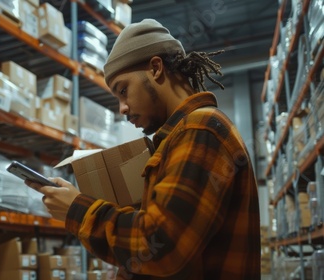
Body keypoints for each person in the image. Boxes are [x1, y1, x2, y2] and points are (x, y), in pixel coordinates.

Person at [27, 19, 260, 279]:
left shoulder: (201, 129)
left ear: (156, 68)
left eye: (124, 90)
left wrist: (78, 211)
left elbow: (160, 245)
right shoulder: (180, 136)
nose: (122, 108)